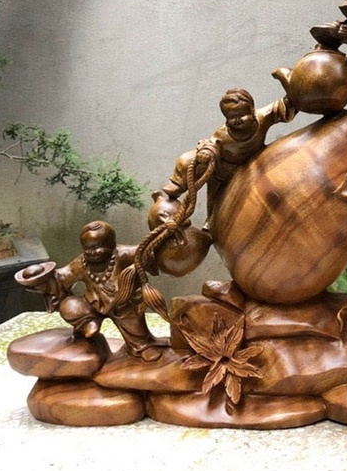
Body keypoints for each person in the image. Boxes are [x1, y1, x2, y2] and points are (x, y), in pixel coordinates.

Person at [148, 89, 295, 229]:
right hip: (223, 171)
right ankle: (179, 187)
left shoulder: (263, 116)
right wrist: (206, 152)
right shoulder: (222, 134)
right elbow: (210, 145)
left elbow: (282, 107)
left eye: (242, 115)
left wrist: (296, 95)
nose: (237, 120)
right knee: (210, 195)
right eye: (231, 117)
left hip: (256, 160)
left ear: (252, 110)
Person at [50, 221, 161, 360]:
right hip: (93, 306)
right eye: (87, 248)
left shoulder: (122, 254)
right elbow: (64, 275)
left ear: (111, 244)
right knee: (68, 306)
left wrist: (163, 236)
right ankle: (88, 323)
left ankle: (142, 346)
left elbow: (144, 251)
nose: (92, 253)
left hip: (124, 305)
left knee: (134, 327)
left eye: (97, 247)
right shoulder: (81, 263)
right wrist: (46, 279)